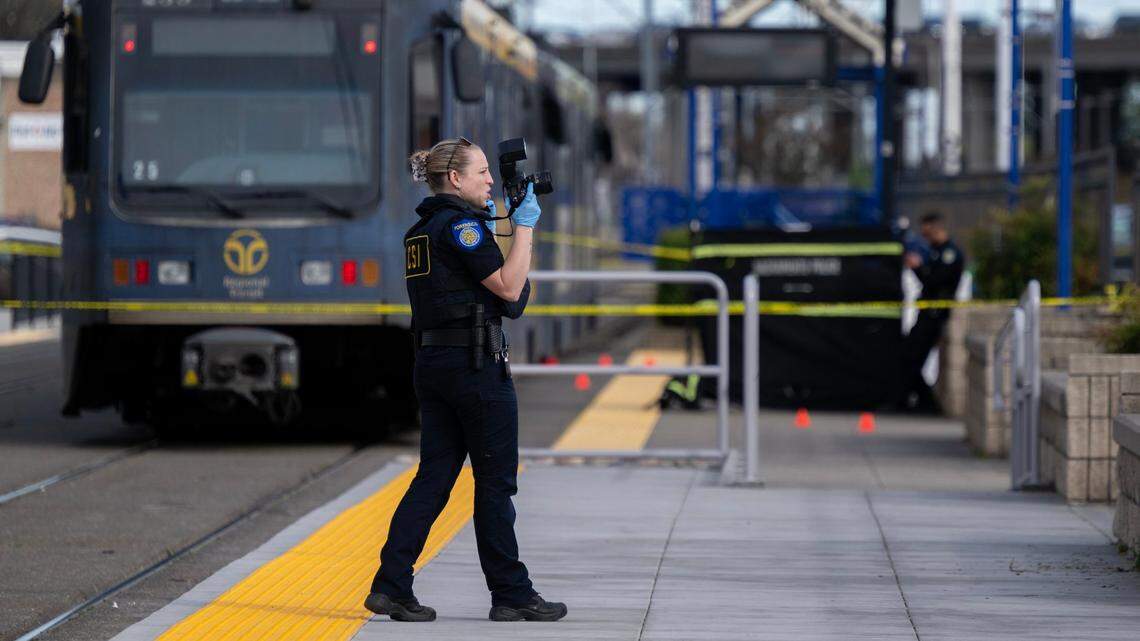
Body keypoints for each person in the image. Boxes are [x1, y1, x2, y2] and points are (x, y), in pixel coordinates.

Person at [363, 137, 567, 623]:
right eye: (481, 173)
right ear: (455, 179)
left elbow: (504, 300)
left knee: (433, 479)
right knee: (495, 484)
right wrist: (524, 229)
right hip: (475, 370)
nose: (491, 181)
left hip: (434, 367)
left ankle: (391, 585)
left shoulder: (422, 230)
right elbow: (512, 289)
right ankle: (512, 594)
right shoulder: (462, 229)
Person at [900, 211, 964, 412]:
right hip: (926, 312)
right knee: (909, 356)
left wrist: (917, 268)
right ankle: (922, 401)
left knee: (913, 356)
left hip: (935, 315)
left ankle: (928, 403)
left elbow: (935, 281)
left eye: (927, 233)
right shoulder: (935, 251)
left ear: (937, 227)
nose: (925, 238)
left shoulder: (950, 253)